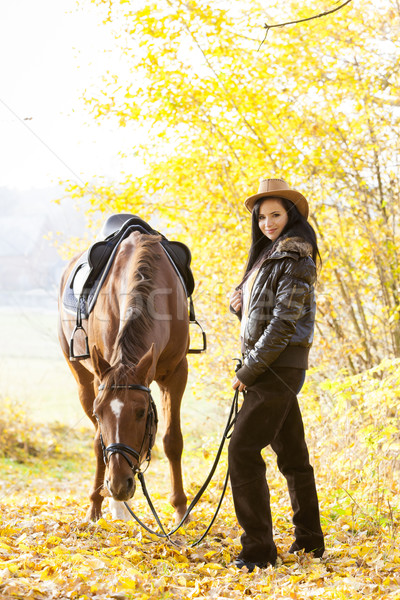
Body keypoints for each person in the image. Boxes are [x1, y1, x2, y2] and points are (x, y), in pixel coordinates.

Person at [228, 178, 324, 572]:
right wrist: (240, 304)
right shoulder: (269, 255)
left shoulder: (296, 256)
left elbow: (284, 323)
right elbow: (267, 314)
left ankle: (258, 551)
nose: (267, 222)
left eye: (275, 215)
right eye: (262, 216)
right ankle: (310, 542)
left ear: (291, 215)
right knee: (293, 457)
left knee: (242, 450)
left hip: (276, 367)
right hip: (274, 364)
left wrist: (249, 371)